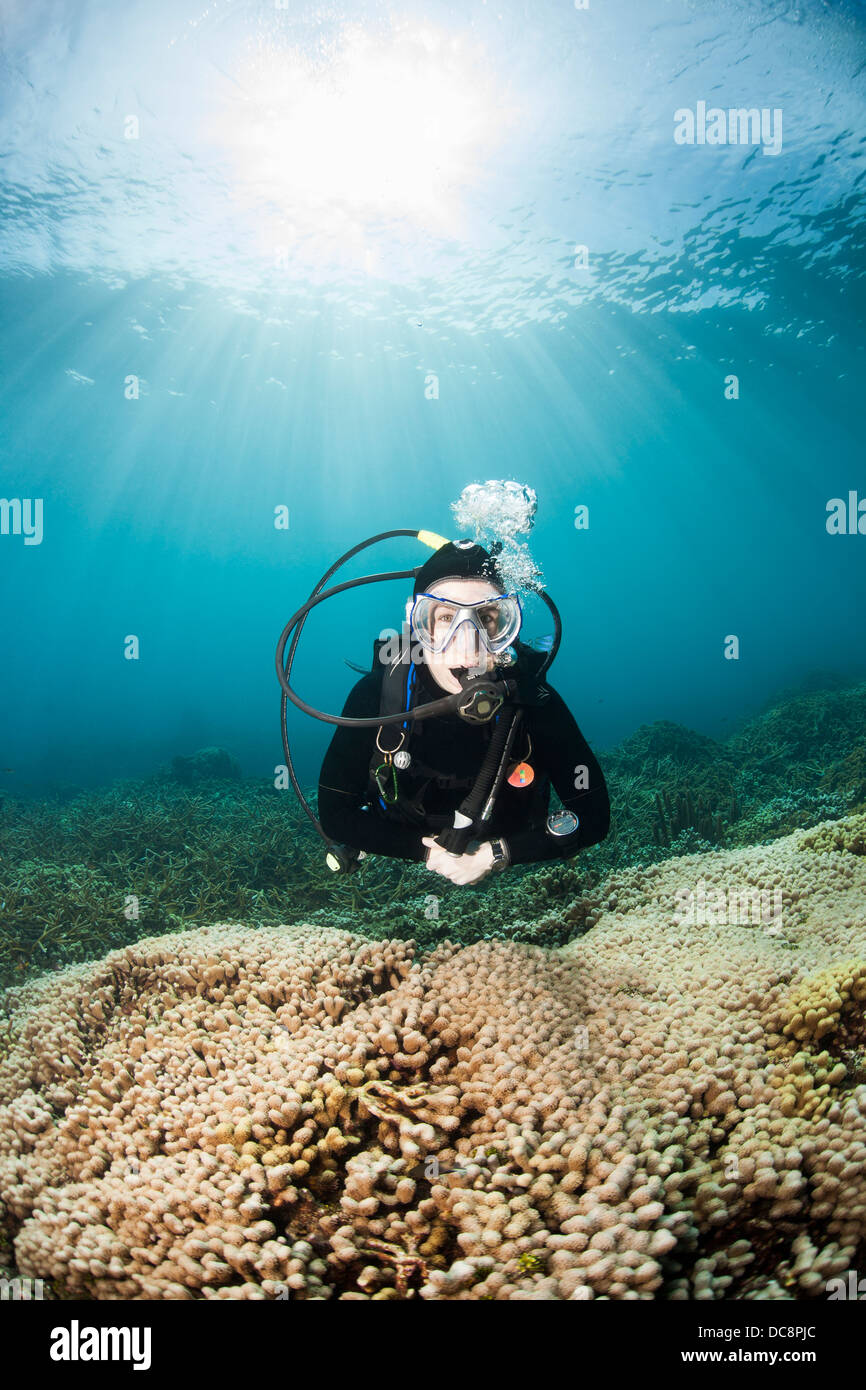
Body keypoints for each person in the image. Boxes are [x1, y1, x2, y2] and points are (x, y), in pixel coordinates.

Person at [317, 540, 610, 886]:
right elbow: (335, 814)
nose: (467, 644)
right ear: (418, 626)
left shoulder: (535, 701)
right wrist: (423, 851)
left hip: (504, 830)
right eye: (444, 618)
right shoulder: (379, 697)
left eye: (486, 618)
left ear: (507, 628)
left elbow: (594, 817)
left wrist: (495, 854)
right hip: (404, 825)